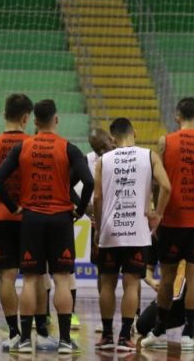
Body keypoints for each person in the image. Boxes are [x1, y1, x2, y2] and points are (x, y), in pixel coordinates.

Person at [0, 99, 95, 355]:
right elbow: (89, 181)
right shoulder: (68, 148)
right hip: (60, 219)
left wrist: (14, 206)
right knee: (61, 279)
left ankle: (25, 340)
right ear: (56, 120)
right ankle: (63, 342)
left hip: (31, 219)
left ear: (34, 121)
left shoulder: (22, 146)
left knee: (28, 280)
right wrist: (80, 210)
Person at [142, 97, 194, 352]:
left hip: (172, 221)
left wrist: (157, 212)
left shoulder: (166, 142)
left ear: (177, 117)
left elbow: (157, 183)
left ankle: (160, 329)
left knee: (167, 277)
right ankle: (189, 331)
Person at [93, 118, 171, 352]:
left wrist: (98, 227)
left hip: (110, 232)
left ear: (112, 138)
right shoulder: (149, 156)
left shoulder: (103, 160)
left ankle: (106, 336)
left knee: (107, 284)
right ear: (134, 132)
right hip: (137, 232)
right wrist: (158, 213)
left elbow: (97, 198)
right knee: (131, 284)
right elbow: (166, 186)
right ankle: (126, 336)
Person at [0, 93, 33, 350]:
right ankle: (38, 333)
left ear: (4, 114)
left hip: (0, 216)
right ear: (26, 117)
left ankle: (13, 334)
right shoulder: (34, 144)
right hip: (30, 216)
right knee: (36, 278)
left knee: (6, 278)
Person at [79, 127, 114, 332]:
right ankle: (105, 320)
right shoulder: (87, 160)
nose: (101, 152)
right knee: (102, 272)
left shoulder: (126, 155)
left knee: (130, 274)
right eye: (96, 149)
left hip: (126, 223)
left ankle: (134, 319)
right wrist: (86, 209)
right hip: (99, 225)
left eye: (103, 146)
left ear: (111, 139)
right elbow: (73, 189)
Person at [136, 258, 194, 339]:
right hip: (174, 291)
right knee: (142, 325)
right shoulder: (159, 245)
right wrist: (152, 282)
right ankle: (167, 324)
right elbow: (147, 269)